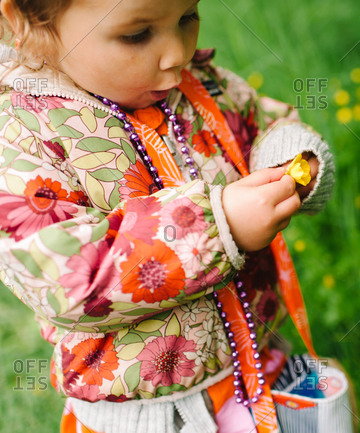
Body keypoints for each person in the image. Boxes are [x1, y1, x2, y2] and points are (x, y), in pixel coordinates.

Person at [0, 0, 334, 432]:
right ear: (28, 21)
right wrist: (220, 225)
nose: (176, 52)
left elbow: (262, 123)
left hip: (258, 355)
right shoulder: (26, 137)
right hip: (152, 411)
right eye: (137, 34)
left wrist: (291, 161)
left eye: (187, 17)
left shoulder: (197, 84)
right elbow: (62, 276)